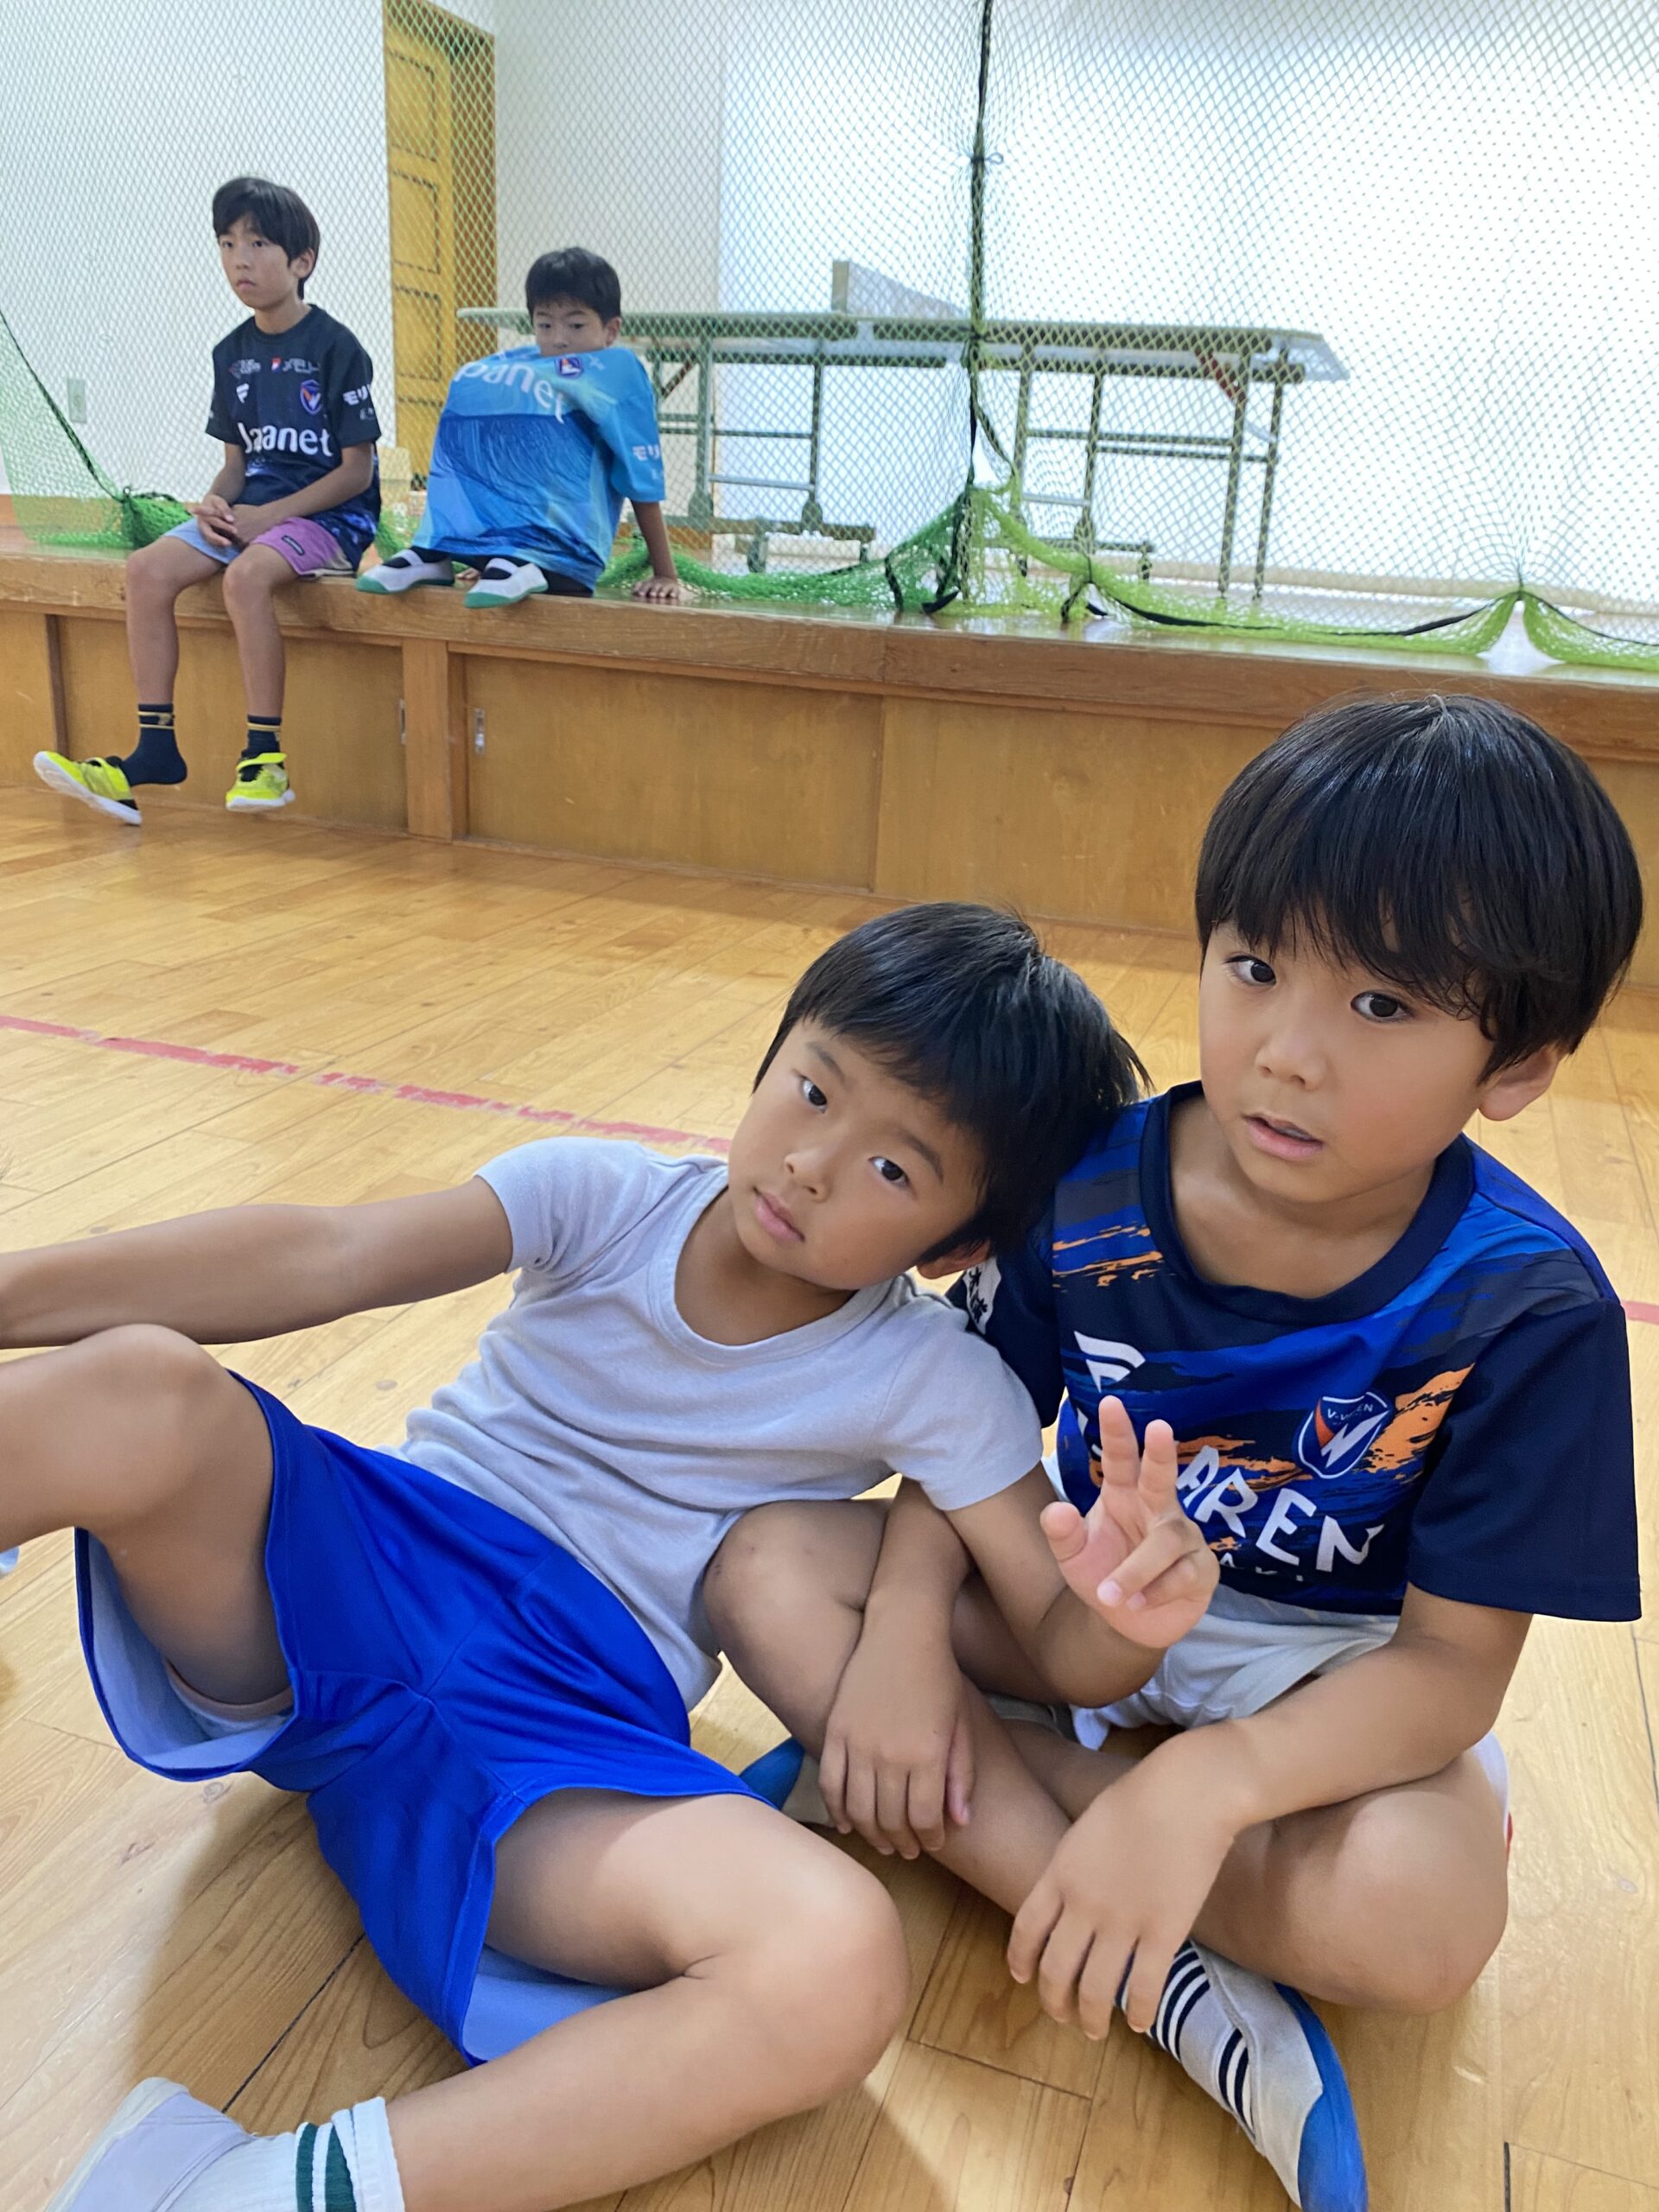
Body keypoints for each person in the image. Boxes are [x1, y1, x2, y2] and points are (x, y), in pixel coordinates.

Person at [21, 904, 1214, 2212]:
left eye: (893, 1168)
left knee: (834, 1956)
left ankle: (236, 2192)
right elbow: (329, 1253)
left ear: (960, 1245)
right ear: (771, 1055)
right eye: (814, 1089)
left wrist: (1126, 1613)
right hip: (360, 1569)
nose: (812, 1163)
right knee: (142, 1388)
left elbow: (1062, 1644)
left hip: (564, 1724)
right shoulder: (604, 1197)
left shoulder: (936, 1376)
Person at [708, 694, 1644, 2212]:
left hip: (1323, 1674)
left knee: (1419, 1923)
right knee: (765, 1566)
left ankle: (965, 1792)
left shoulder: (1526, 1308)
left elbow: (1450, 1670)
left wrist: (1206, 1786)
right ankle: (1179, 1977)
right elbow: (965, 1429)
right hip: (1079, 1601)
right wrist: (902, 1639)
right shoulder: (1087, 1186)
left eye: (1382, 1006)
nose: (1288, 1055)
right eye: (1256, 968)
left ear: (1519, 1061)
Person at [33, 179, 382, 828]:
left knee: (245, 578)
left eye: (258, 244)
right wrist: (214, 504)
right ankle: (156, 748)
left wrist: (268, 517)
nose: (239, 260)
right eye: (227, 244)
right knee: (145, 569)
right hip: (252, 515)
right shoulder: (231, 354)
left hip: (330, 519)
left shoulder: (336, 347)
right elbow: (236, 465)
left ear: (302, 261)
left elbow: (356, 471)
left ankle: (263, 756)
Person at [356, 246, 680, 610]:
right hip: (504, 549)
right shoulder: (519, 365)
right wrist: (485, 550)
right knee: (470, 386)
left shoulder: (618, 372)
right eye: (545, 325)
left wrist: (665, 573)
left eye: (576, 325)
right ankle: (438, 552)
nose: (558, 338)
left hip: (567, 556)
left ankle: (516, 560)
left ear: (611, 329)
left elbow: (640, 475)